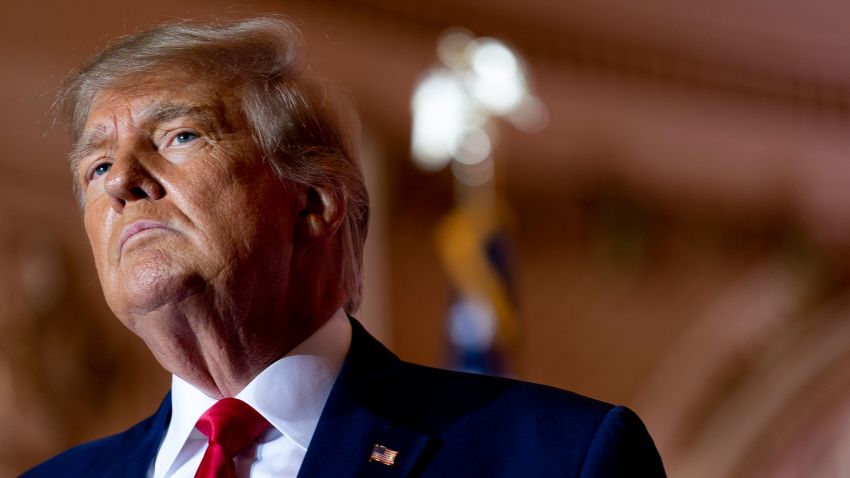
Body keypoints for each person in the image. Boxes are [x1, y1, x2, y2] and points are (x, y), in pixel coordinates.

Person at [23, 17, 665, 477]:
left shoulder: (557, 457)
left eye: (182, 136)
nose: (123, 182)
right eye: (97, 168)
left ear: (313, 202)